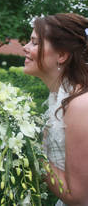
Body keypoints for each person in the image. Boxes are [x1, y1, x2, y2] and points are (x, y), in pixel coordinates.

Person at [23, 13, 88, 206]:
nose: (25, 48)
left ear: (61, 55)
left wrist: (28, 152)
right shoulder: (59, 97)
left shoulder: (79, 105)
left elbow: (77, 197)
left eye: (34, 42)